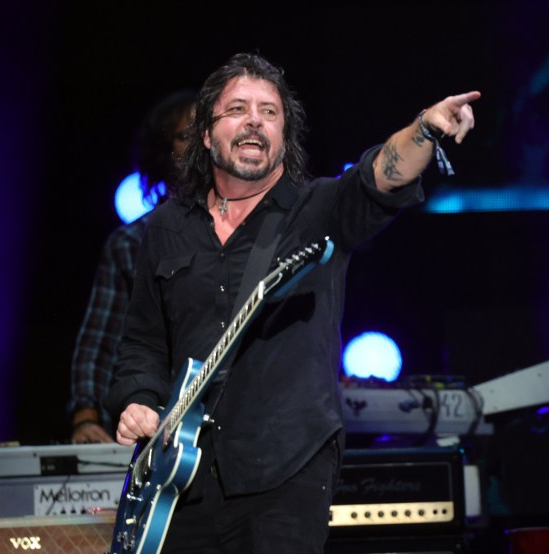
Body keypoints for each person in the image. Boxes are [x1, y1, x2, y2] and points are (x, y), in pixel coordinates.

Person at [105, 52, 480, 553]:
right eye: (237, 108)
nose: (254, 120)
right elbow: (143, 344)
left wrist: (424, 129)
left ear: (284, 134)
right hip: (181, 482)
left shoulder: (318, 209)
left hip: (285, 472)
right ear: (206, 133)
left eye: (269, 111)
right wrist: (136, 401)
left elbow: (380, 178)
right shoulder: (167, 227)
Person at [67, 90, 196, 444]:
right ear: (162, 151)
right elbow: (99, 340)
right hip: (155, 425)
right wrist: (85, 417)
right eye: (185, 135)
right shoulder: (130, 243)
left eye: (206, 131)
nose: (200, 143)